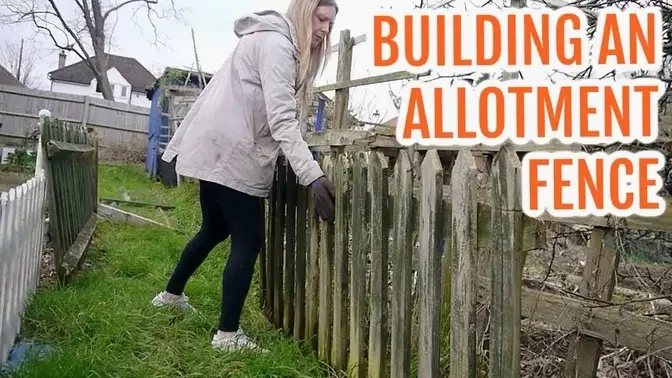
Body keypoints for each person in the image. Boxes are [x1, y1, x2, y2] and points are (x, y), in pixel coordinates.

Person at [150, 0, 339, 353]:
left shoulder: (262, 37)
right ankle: (227, 336)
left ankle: (170, 295)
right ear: (303, 11)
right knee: (248, 239)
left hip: (216, 144)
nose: (325, 29)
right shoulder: (279, 46)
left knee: (214, 229)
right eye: (321, 18)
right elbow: (281, 119)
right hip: (234, 151)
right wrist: (311, 175)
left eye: (330, 23)